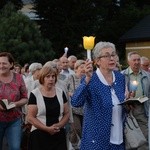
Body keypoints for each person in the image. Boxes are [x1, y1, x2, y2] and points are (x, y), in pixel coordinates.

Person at [71, 41, 126, 150]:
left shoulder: (120, 78)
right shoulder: (91, 79)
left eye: (113, 54)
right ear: (97, 61)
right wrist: (87, 79)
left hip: (119, 139)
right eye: (106, 55)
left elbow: (120, 104)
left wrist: (129, 103)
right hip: (96, 141)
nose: (111, 58)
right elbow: (76, 102)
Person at [27, 66, 69, 150]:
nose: (51, 79)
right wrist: (46, 128)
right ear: (42, 78)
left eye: (53, 76)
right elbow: (30, 117)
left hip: (58, 133)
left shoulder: (60, 92)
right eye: (48, 76)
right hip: (39, 134)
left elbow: (66, 113)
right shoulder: (35, 94)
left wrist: (59, 125)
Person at [121, 51, 150, 150]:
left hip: (143, 107)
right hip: (127, 109)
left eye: (138, 60)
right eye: (134, 60)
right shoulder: (122, 75)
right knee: (130, 137)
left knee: (145, 135)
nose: (137, 62)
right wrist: (126, 98)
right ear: (129, 62)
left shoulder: (147, 75)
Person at [0, 52, 28, 150]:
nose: (1, 66)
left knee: (15, 147)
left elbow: (25, 98)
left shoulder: (19, 78)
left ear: (11, 64)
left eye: (4, 63)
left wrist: (15, 104)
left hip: (14, 120)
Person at [65, 59, 85, 149]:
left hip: (85, 109)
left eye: (85, 67)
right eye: (81, 67)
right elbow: (64, 89)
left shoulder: (87, 79)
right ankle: (76, 145)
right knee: (77, 129)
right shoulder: (71, 77)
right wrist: (70, 94)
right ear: (76, 68)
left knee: (85, 130)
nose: (83, 69)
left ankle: (82, 145)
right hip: (74, 109)